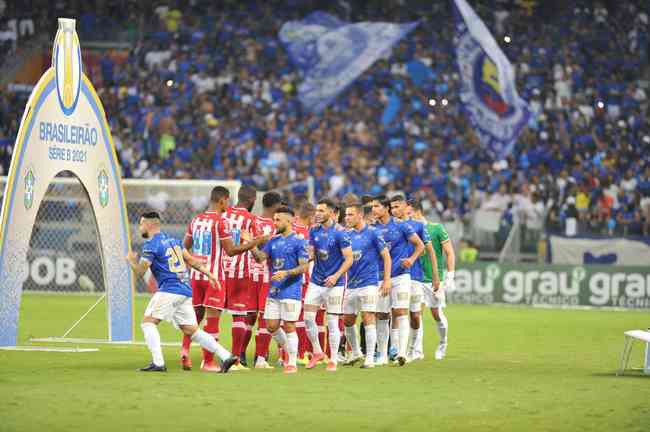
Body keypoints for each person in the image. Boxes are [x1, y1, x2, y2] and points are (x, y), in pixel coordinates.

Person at [127, 211, 238, 373]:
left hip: (169, 290)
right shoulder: (175, 241)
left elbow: (140, 272)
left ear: (150, 224)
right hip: (185, 291)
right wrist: (210, 275)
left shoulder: (151, 245)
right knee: (192, 330)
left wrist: (131, 261)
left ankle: (158, 363)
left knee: (148, 323)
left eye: (141, 223)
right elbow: (191, 260)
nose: (139, 227)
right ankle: (226, 356)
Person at [180, 186, 267, 371]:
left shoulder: (196, 219)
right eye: (226, 201)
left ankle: (185, 351)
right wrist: (255, 242)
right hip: (221, 276)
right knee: (221, 319)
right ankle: (212, 361)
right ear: (223, 200)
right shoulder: (223, 221)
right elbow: (232, 250)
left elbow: (184, 248)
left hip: (197, 275)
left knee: (194, 317)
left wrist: (194, 265)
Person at [251, 207, 310, 374]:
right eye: (274, 219)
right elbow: (260, 258)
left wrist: (287, 272)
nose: (274, 223)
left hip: (291, 290)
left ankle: (291, 361)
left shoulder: (299, 241)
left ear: (288, 221)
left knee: (289, 325)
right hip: (274, 291)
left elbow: (304, 266)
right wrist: (250, 244)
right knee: (271, 326)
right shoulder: (273, 241)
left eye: (278, 220)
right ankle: (290, 351)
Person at [371, 195, 424, 366]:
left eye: (376, 206)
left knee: (401, 311)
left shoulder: (402, 225)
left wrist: (411, 259)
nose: (373, 210)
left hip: (401, 276)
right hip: (380, 277)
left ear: (386, 208)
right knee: (381, 314)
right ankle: (382, 355)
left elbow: (420, 245)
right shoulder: (372, 229)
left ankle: (402, 352)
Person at [303, 199, 353, 372]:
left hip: (336, 283)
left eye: (321, 210)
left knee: (332, 321)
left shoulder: (340, 233)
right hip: (316, 281)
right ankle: (317, 352)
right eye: (317, 210)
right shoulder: (314, 230)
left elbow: (349, 258)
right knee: (308, 318)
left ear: (332, 213)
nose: (317, 213)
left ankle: (332, 359)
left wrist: (336, 275)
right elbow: (310, 253)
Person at [342, 202, 391, 368]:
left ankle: (370, 358)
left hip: (369, 283)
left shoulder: (373, 233)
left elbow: (386, 257)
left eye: (350, 215)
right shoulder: (346, 235)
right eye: (346, 215)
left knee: (368, 317)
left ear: (360, 215)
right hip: (350, 284)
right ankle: (356, 352)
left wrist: (386, 279)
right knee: (348, 320)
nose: (346, 218)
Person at [220, 185, 258, 370]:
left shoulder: (223, 214)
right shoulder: (250, 219)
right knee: (239, 316)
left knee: (213, 315)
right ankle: (235, 360)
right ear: (252, 200)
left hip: (219, 270)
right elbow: (256, 249)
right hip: (240, 272)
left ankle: (207, 359)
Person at [413, 202, 456, 360]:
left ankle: (443, 343)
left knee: (436, 313)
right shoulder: (409, 231)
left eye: (410, 213)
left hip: (433, 279)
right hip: (417, 278)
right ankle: (417, 352)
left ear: (418, 213)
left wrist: (450, 275)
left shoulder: (436, 228)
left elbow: (450, 253)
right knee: (416, 314)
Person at [248, 191, 283, 369]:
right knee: (266, 316)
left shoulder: (252, 221)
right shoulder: (276, 225)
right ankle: (260, 358)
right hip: (266, 276)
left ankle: (240, 356)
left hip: (249, 274)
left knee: (248, 317)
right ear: (276, 206)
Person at [291, 201, 317, 366]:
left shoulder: (289, 230)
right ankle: (301, 353)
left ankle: (289, 354)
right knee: (301, 317)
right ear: (309, 216)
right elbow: (309, 257)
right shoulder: (308, 234)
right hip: (303, 279)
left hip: (288, 278)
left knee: (290, 317)